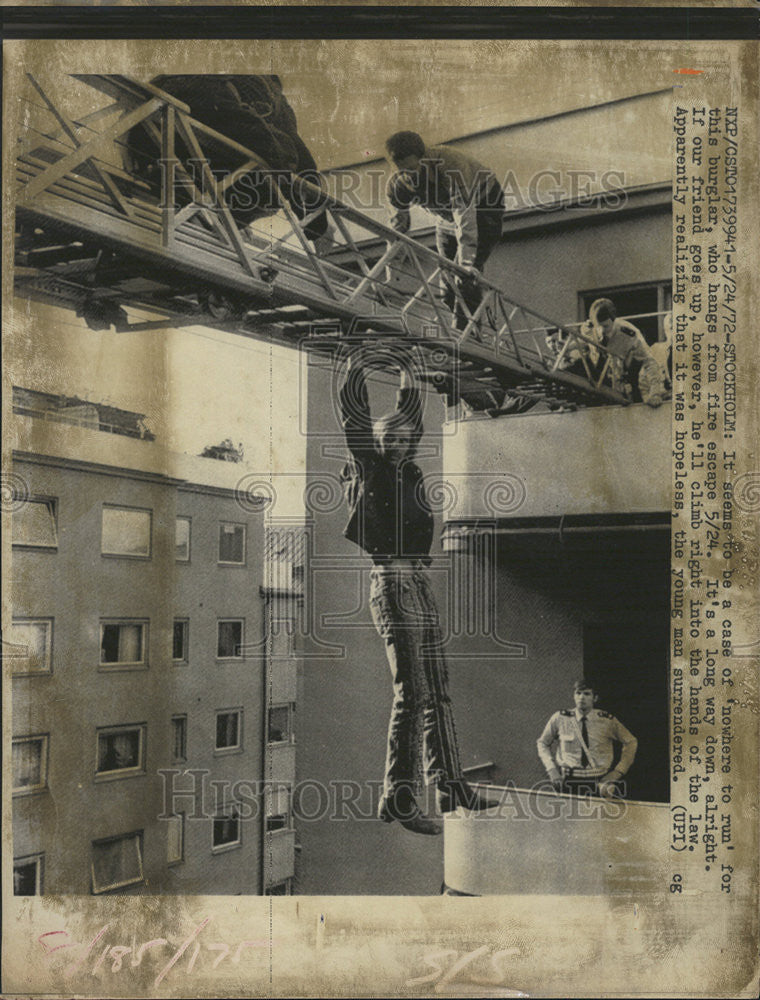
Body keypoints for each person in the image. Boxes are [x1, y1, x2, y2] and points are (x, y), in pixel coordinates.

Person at [338, 346, 495, 835]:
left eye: (408, 439)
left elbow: (412, 417)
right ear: (380, 443)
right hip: (390, 583)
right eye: (395, 439)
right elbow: (356, 418)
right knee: (412, 692)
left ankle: (450, 784)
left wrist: (408, 373)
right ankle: (399, 797)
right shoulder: (371, 467)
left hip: (418, 584)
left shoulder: (407, 471)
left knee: (438, 690)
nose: (404, 444)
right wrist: (358, 364)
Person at [124, 75, 333, 252]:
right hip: (193, 128)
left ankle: (213, 218)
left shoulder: (214, 71)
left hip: (145, 137)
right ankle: (224, 220)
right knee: (276, 168)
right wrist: (318, 225)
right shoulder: (269, 92)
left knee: (214, 169)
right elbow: (302, 161)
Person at [384, 131, 505, 332]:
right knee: (447, 288)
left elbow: (464, 214)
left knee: (464, 277)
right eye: (402, 172)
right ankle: (459, 325)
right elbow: (397, 230)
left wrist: (466, 264)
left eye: (413, 169)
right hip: (446, 217)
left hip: (484, 207)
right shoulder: (396, 185)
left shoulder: (450, 164)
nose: (409, 177)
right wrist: (392, 276)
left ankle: (465, 335)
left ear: (423, 158)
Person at [536, 679, 638, 797]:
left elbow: (631, 741)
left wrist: (618, 772)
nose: (581, 698)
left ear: (595, 698)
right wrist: (551, 769)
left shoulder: (606, 721)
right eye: (578, 693)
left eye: (587, 694)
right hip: (568, 780)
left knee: (598, 814)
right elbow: (542, 743)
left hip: (599, 781)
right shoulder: (560, 718)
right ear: (574, 696)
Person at [577, 298, 666, 406]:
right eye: (598, 326)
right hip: (597, 379)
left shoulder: (628, 334)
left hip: (621, 383)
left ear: (613, 320)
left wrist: (655, 392)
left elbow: (649, 362)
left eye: (606, 326)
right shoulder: (587, 329)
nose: (602, 331)